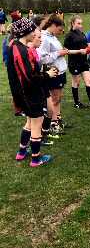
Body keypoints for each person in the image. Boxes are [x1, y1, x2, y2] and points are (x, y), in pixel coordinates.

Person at [7, 16, 58, 166]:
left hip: (21, 93)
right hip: (29, 94)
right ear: (27, 32)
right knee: (36, 123)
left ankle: (22, 152)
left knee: (29, 122)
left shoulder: (13, 46)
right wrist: (46, 74)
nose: (35, 33)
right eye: (33, 30)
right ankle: (36, 159)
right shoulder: (22, 51)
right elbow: (30, 77)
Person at [37, 14, 69, 134]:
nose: (60, 32)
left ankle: (58, 119)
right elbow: (42, 58)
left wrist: (60, 52)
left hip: (60, 71)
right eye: (60, 29)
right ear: (53, 25)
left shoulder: (52, 36)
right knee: (54, 100)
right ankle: (52, 124)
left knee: (59, 97)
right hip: (52, 72)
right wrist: (58, 53)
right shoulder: (44, 38)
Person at [64, 14, 90, 109]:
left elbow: (85, 46)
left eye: (81, 24)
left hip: (84, 62)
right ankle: (77, 102)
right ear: (72, 23)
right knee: (76, 82)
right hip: (74, 62)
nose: (80, 25)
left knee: (88, 81)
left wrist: (88, 49)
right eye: (78, 23)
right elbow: (66, 51)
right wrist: (79, 51)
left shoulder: (82, 34)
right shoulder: (69, 35)